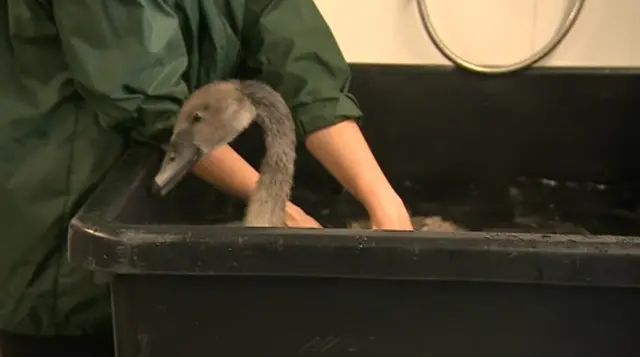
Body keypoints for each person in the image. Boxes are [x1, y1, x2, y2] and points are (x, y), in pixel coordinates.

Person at [0, 0, 412, 354]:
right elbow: (151, 102)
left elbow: (302, 65)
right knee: (66, 323)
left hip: (158, 193)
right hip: (58, 198)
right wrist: (272, 205)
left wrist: (383, 201)